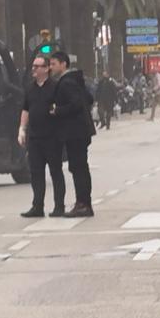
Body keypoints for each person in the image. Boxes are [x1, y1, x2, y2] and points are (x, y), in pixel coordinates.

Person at [17, 55, 65, 218]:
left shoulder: (55, 87)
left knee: (55, 172)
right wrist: (22, 129)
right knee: (36, 173)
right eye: (33, 67)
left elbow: (61, 108)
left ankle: (59, 205)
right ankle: (37, 205)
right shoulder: (30, 88)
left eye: (38, 67)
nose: (34, 70)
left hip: (52, 137)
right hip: (35, 138)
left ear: (46, 69)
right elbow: (26, 109)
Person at [48, 51, 95, 217]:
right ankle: (84, 202)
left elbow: (76, 104)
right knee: (80, 167)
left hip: (75, 132)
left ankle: (82, 203)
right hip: (81, 131)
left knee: (78, 168)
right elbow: (88, 99)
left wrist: (58, 110)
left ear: (63, 64)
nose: (51, 68)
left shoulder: (66, 82)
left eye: (53, 64)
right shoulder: (76, 80)